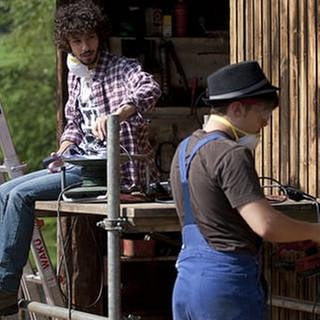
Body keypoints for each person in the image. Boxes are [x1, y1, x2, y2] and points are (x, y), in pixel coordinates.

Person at [0, 0, 161, 315]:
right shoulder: (75, 76)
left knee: (20, 196)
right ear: (68, 44)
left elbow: (149, 89)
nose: (85, 47)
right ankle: (2, 279)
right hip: (78, 162)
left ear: (99, 35)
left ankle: (5, 288)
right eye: (77, 41)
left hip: (112, 170)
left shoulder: (122, 68)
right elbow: (73, 124)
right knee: (4, 191)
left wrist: (118, 114)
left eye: (90, 38)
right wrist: (62, 150)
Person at [170, 61, 320, 319]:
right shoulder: (232, 153)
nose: (265, 122)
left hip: (187, 282)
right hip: (226, 285)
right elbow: (266, 226)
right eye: (263, 113)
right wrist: (314, 231)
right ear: (237, 108)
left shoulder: (185, 149)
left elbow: (213, 207)